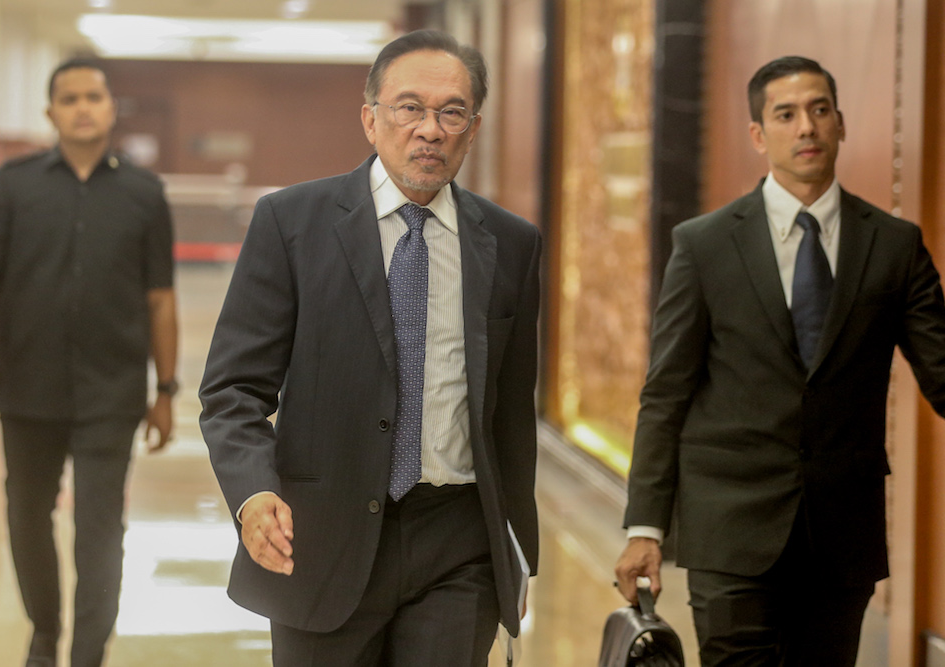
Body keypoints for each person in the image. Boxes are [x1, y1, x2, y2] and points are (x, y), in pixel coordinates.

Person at [199, 29, 541, 666]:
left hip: (457, 541)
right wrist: (251, 494)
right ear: (371, 119)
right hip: (321, 537)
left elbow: (512, 416)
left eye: (452, 111)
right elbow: (233, 390)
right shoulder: (291, 223)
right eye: (409, 107)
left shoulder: (510, 244)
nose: (429, 129)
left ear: (473, 127)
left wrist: (514, 556)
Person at [615, 55, 945, 665]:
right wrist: (645, 527)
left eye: (820, 110)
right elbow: (666, 393)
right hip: (729, 528)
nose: (807, 128)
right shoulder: (705, 244)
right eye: (786, 114)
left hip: (841, 534)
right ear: (759, 135)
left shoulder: (894, 247)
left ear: (841, 124)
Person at [0, 58, 178, 667]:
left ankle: (87, 652)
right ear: (51, 112)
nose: (83, 107)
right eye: (70, 98)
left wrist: (167, 389)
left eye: (94, 97)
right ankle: (45, 633)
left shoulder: (143, 193)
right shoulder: (13, 184)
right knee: (27, 517)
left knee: (101, 530)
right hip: (27, 385)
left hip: (114, 390)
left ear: (109, 109)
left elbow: (161, 299)